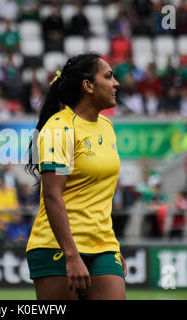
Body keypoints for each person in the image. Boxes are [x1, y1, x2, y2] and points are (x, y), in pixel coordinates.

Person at [25, 53, 127, 300]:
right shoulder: (58, 129)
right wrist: (72, 255)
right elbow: (51, 195)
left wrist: (112, 245)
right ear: (88, 85)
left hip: (103, 245)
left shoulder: (107, 126)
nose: (117, 83)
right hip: (57, 248)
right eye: (109, 76)